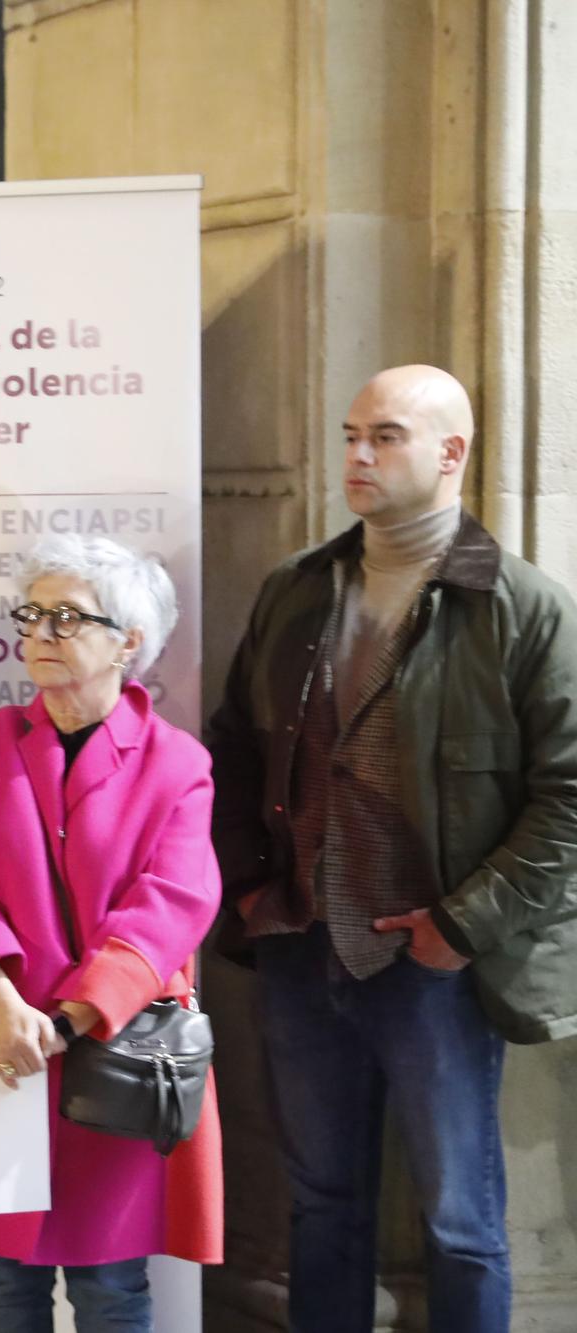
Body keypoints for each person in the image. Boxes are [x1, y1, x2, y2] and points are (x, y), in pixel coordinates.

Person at [207, 364, 577, 1333]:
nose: (355, 456)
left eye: (384, 436)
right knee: (318, 1208)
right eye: (347, 434)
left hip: (433, 965)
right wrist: (249, 888)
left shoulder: (519, 608)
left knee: (459, 1221)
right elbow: (232, 752)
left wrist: (459, 925)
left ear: (450, 453)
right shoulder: (297, 589)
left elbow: (568, 802)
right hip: (296, 945)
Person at [0, 534, 224, 1331]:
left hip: (112, 1049)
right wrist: (1, 997)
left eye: (67, 617)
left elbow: (175, 899)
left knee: (111, 1288)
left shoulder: (177, 763)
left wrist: (77, 1014)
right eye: (33, 614)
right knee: (3, 1287)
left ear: (130, 641)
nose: (40, 633)